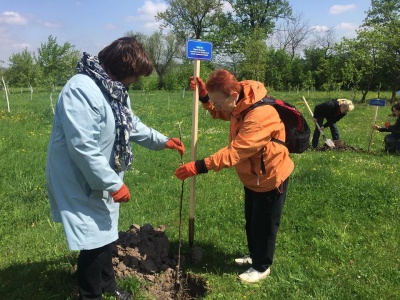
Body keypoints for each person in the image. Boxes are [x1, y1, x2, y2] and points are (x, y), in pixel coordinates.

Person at [45, 37, 185, 300]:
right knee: (92, 241)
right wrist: (113, 183)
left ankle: (108, 286)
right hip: (79, 176)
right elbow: (82, 147)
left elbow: (131, 125)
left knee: (105, 234)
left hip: (102, 174)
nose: (135, 81)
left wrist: (162, 140)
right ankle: (91, 295)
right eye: (134, 75)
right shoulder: (82, 89)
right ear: (121, 69)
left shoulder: (113, 88)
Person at [174, 69, 294, 283]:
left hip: (270, 176)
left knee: (265, 225)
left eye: (218, 103)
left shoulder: (260, 116)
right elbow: (222, 112)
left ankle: (261, 265)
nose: (217, 108)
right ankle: (254, 254)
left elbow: (236, 152)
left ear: (233, 96)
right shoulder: (241, 103)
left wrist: (200, 166)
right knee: (252, 220)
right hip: (254, 175)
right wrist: (205, 98)